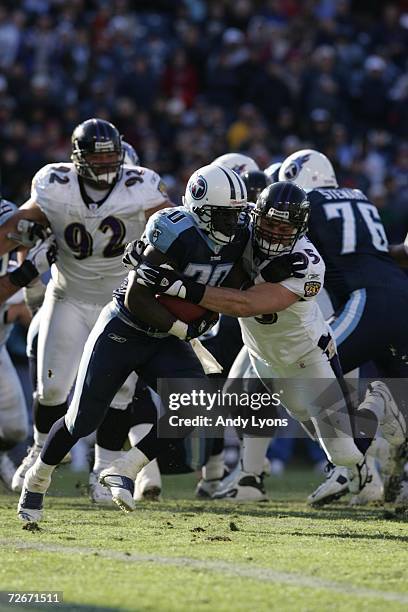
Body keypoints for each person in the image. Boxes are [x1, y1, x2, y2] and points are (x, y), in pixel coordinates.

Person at [98, 182, 405, 508]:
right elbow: (189, 221)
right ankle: (252, 473)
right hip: (263, 354)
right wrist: (147, 248)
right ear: (255, 215)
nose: (273, 233)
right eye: (269, 223)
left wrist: (178, 285)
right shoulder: (238, 229)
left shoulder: (307, 262)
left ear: (299, 228)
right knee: (313, 427)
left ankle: (377, 404)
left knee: (343, 453)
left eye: (283, 227)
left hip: (307, 355)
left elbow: (245, 304)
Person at [17, 163, 251, 521]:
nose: (232, 225)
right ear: (201, 209)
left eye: (237, 215)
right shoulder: (175, 230)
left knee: (194, 406)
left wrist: (208, 310)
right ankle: (38, 480)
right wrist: (184, 329)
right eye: (224, 216)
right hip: (124, 329)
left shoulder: (239, 235)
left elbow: (230, 281)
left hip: (166, 337)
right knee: (82, 420)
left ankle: (124, 468)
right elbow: (137, 299)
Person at [0, 118, 171, 498]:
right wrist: (22, 249)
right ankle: (40, 452)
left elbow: (172, 224)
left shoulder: (140, 185)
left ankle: (104, 470)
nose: (108, 166)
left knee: (122, 392)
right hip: (69, 295)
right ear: (77, 159)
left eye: (113, 157)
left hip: (121, 301)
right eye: (99, 158)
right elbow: (20, 226)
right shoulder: (54, 185)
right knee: (52, 387)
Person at [278, 149, 408, 505]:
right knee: (400, 396)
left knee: (311, 371)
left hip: (366, 300)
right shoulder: (360, 197)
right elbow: (378, 251)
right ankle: (388, 471)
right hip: (400, 293)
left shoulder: (308, 203)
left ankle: (349, 465)